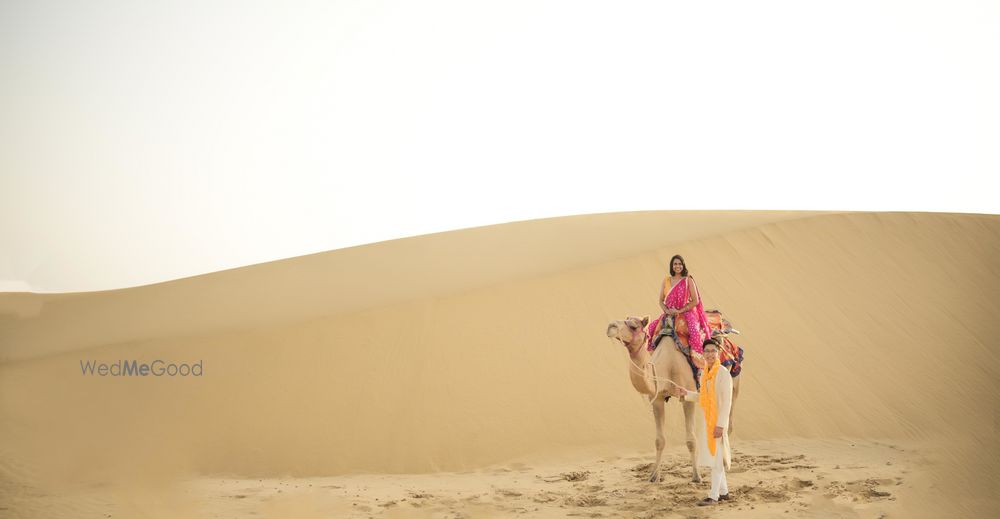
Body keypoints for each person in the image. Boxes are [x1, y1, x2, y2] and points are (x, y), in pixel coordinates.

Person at [676, 338, 733, 506]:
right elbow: (704, 398)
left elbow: (727, 402)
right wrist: (686, 393)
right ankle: (723, 492)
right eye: (706, 351)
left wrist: (721, 425)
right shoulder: (705, 373)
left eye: (712, 351)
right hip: (708, 422)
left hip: (718, 423)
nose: (709, 354)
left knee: (716, 460)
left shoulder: (723, 373)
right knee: (715, 457)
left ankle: (713, 496)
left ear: (718, 353)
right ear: (703, 353)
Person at [647, 255, 714, 366]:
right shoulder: (666, 281)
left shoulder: (688, 280)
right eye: (675, 264)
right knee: (651, 329)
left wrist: (680, 310)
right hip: (669, 314)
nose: (677, 266)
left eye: (679, 264)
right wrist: (667, 311)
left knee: (694, 332)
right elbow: (660, 300)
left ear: (683, 265)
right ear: (672, 266)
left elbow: (695, 301)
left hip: (686, 313)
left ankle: (700, 365)